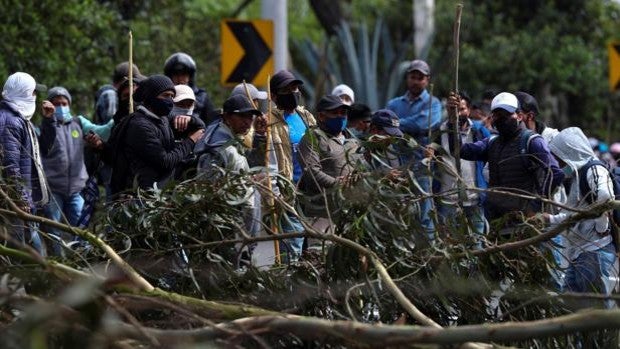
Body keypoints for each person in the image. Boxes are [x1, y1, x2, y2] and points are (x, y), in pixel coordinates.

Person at [540, 127, 617, 309]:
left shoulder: (594, 169)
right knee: (571, 304)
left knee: (596, 307)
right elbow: (575, 214)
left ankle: (605, 337)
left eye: (559, 157)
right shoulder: (577, 175)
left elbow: (605, 198)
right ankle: (579, 338)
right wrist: (550, 219)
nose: (558, 162)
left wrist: (600, 226)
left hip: (594, 250)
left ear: (570, 152)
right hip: (580, 250)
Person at [459, 92, 564, 225]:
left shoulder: (532, 141)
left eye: (506, 115)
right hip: (498, 221)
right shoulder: (491, 143)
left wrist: (534, 206)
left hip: (525, 223)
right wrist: (454, 120)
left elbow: (556, 174)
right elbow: (460, 151)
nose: (501, 119)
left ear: (519, 116)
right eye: (497, 115)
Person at [107, 75, 204, 195]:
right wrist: (191, 140)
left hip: (161, 194)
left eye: (172, 96)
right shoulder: (139, 126)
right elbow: (165, 161)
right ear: (151, 97)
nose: (170, 100)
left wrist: (190, 120)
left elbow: (201, 127)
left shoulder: (162, 118)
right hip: (142, 198)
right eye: (165, 95)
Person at [195, 95, 263, 265]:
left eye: (250, 117)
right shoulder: (219, 147)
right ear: (226, 117)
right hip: (225, 223)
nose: (247, 122)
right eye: (242, 116)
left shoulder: (223, 134)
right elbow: (208, 186)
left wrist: (260, 137)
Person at [386, 59, 442, 241]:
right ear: (407, 78)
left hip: (421, 167)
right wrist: (405, 125)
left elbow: (424, 124)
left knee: (425, 213)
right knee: (399, 213)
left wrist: (397, 123)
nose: (416, 81)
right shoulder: (394, 104)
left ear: (427, 80)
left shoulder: (433, 103)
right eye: (413, 77)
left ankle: (430, 256)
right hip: (396, 166)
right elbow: (385, 125)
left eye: (420, 78)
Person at [0, 72, 49, 255]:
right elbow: (10, 165)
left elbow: (43, 149)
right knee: (28, 256)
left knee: (29, 253)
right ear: (25, 93)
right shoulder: (11, 121)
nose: (35, 97)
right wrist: (20, 199)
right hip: (17, 204)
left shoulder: (18, 119)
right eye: (33, 92)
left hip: (21, 200)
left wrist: (49, 122)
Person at [298, 95, 360, 235]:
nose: (340, 116)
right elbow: (311, 171)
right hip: (321, 213)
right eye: (334, 113)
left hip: (348, 212)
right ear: (321, 116)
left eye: (343, 113)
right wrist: (337, 184)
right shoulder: (312, 138)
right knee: (319, 253)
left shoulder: (353, 141)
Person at [435, 92, 490, 249]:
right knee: (449, 245)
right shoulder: (439, 132)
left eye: (462, 109)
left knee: (476, 244)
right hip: (447, 198)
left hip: (474, 197)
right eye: (454, 110)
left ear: (469, 110)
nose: (458, 114)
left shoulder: (479, 131)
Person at [39, 86, 89, 256]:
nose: (60, 107)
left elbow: (101, 131)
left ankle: (83, 260)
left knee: (82, 228)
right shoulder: (45, 127)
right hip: (54, 190)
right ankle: (58, 264)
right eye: (56, 103)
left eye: (64, 103)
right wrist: (48, 120)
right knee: (54, 230)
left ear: (69, 104)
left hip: (76, 188)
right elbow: (44, 147)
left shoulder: (77, 124)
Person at [164, 52, 217, 124]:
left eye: (184, 74)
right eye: (176, 74)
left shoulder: (202, 98)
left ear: (190, 77)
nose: (180, 79)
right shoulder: (164, 97)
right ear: (170, 76)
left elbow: (212, 124)